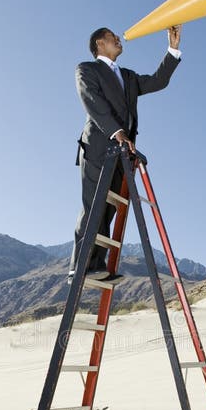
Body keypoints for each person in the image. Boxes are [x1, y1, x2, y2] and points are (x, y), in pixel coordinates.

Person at [69, 25, 182, 281]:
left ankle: (96, 265)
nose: (119, 39)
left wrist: (172, 48)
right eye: (112, 37)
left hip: (122, 152)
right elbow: (92, 102)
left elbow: (157, 81)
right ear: (99, 43)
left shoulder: (128, 77)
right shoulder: (87, 69)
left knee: (108, 209)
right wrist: (116, 131)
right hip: (99, 146)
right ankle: (80, 265)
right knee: (93, 205)